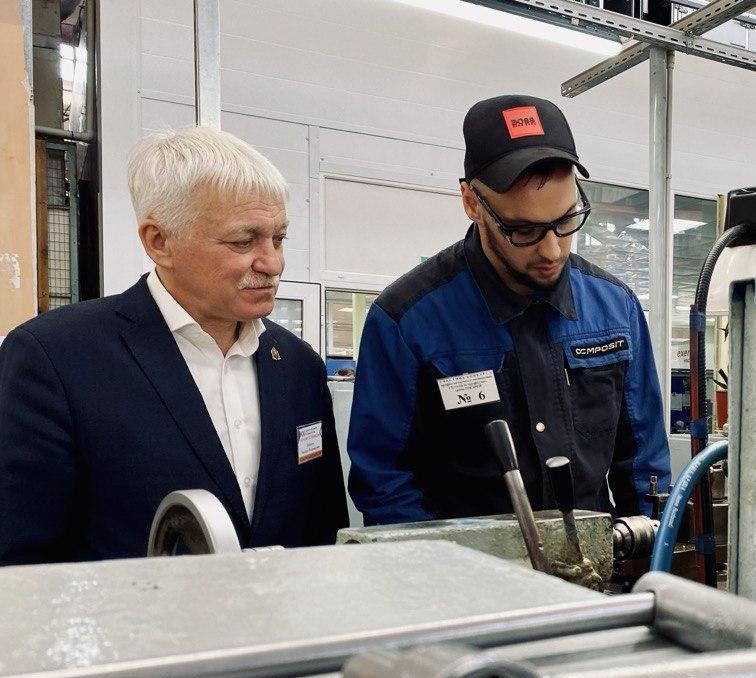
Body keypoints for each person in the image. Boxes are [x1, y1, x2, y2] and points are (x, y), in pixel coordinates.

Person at [0, 127, 348, 564]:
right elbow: (20, 558)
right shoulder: (55, 359)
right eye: (244, 241)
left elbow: (323, 527)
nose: (273, 262)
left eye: (278, 238)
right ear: (159, 241)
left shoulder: (298, 366)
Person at [348, 95, 670, 525]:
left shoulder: (616, 310)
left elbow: (645, 467)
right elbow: (385, 483)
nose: (552, 250)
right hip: (466, 565)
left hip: (598, 562)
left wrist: (646, 551)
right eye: (523, 230)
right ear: (471, 202)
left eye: (566, 221)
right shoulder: (407, 323)